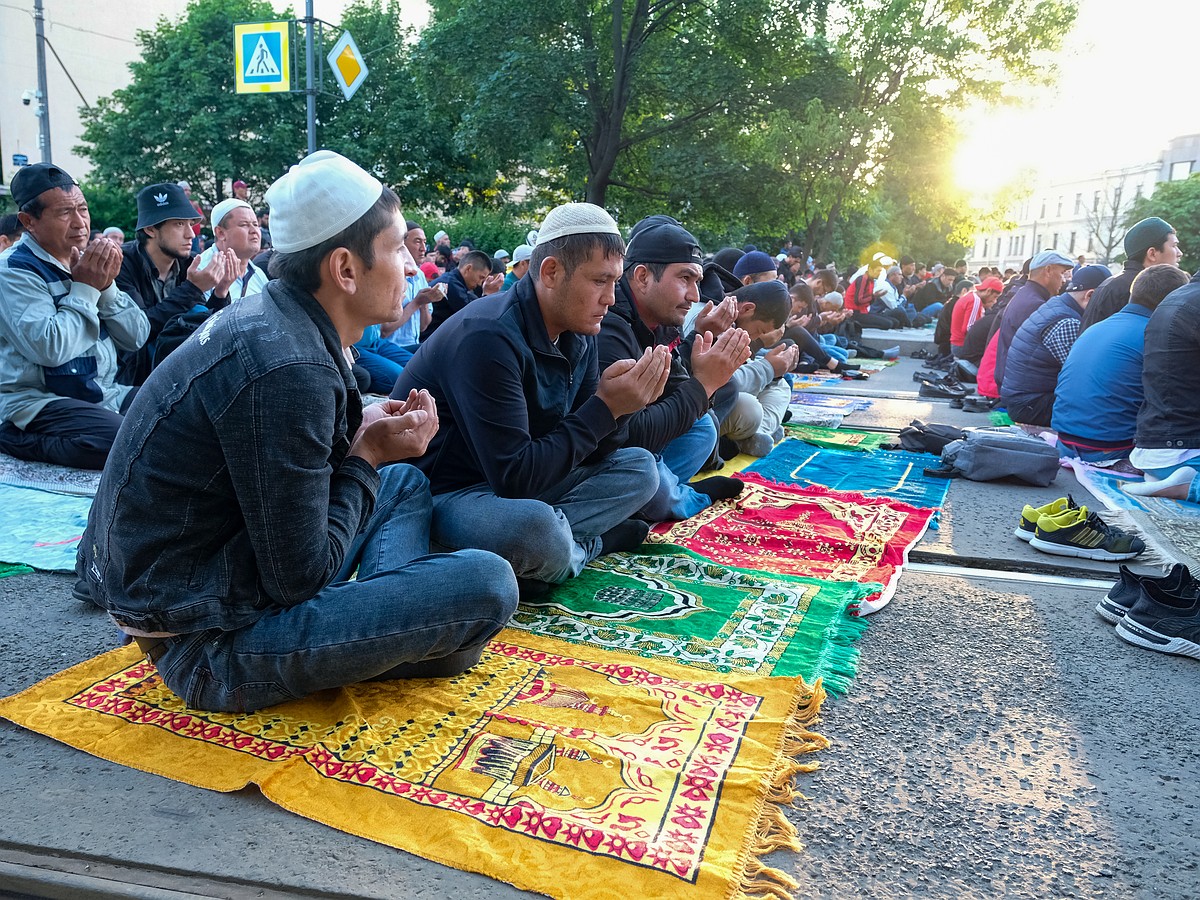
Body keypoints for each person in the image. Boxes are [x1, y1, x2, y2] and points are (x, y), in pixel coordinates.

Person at [78, 151, 518, 714]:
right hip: (208, 642)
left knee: (404, 482)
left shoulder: (283, 322)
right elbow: (298, 579)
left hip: (222, 575)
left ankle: (379, 624)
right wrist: (365, 455)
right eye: (396, 250)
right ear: (345, 269)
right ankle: (382, 627)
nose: (412, 268)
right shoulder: (289, 368)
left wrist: (365, 440)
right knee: (487, 585)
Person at [393, 202, 668, 590]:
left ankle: (548, 556)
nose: (611, 298)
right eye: (599, 281)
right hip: (445, 495)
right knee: (538, 532)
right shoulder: (487, 336)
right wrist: (605, 408)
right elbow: (514, 478)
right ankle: (584, 548)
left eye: (614, 282)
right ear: (551, 272)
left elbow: (592, 451)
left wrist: (621, 409)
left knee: (641, 469)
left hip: (522, 484)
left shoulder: (580, 333)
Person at [598, 215, 750, 521]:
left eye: (697, 281)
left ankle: (661, 490)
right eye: (685, 279)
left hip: (634, 451)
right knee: (644, 473)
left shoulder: (663, 319)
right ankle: (680, 495)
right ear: (641, 277)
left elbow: (680, 387)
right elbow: (626, 435)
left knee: (704, 425)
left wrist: (704, 373)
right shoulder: (608, 325)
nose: (695, 295)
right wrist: (704, 385)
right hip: (606, 455)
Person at [0, 163, 149, 469]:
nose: (80, 223)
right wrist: (85, 287)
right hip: (37, 401)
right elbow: (50, 348)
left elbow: (136, 338)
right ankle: (10, 436)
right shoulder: (13, 270)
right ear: (29, 221)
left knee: (181, 411)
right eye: (64, 213)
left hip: (100, 393)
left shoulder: (84, 261)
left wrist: (105, 286)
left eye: (82, 209)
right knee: (126, 444)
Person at [1053, 264, 1190, 463]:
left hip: (1066, 443)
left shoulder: (1097, 327)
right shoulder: (1155, 335)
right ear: (1174, 301)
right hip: (1111, 448)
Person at [115, 182, 241, 386]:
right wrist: (192, 289)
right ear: (150, 229)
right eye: (179, 224)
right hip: (134, 381)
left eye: (191, 224)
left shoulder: (188, 262)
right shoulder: (123, 264)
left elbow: (201, 327)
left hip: (180, 375)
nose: (190, 234)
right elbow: (138, 329)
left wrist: (220, 292)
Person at [1000, 264, 1110, 426]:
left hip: (1026, 398)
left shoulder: (1056, 305)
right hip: (1031, 404)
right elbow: (1083, 376)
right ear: (1090, 295)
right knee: (1106, 409)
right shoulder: (1067, 322)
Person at [992, 249, 1074, 391]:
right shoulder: (1035, 304)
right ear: (1048, 270)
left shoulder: (1025, 294)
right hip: (1021, 389)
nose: (1064, 279)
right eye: (1062, 273)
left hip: (1011, 383)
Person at [1081, 217, 1180, 330]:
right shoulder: (1141, 289)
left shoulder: (1112, 283)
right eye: (1174, 246)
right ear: (1152, 253)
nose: (1179, 253)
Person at [380, 220, 439, 353]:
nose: (423, 248)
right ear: (402, 244)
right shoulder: (390, 275)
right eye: (417, 241)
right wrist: (417, 302)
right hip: (391, 347)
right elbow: (385, 330)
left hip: (413, 343)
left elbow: (423, 327)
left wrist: (425, 301)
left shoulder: (420, 276)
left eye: (424, 242)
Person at [195, 198, 269, 303]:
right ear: (220, 233)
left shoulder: (258, 274)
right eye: (244, 225)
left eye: (256, 224)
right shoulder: (202, 272)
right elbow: (199, 318)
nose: (254, 231)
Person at [421, 249, 503, 341]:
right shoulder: (451, 284)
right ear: (468, 269)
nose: (480, 283)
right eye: (481, 277)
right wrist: (487, 294)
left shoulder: (455, 281)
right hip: (429, 340)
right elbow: (474, 317)